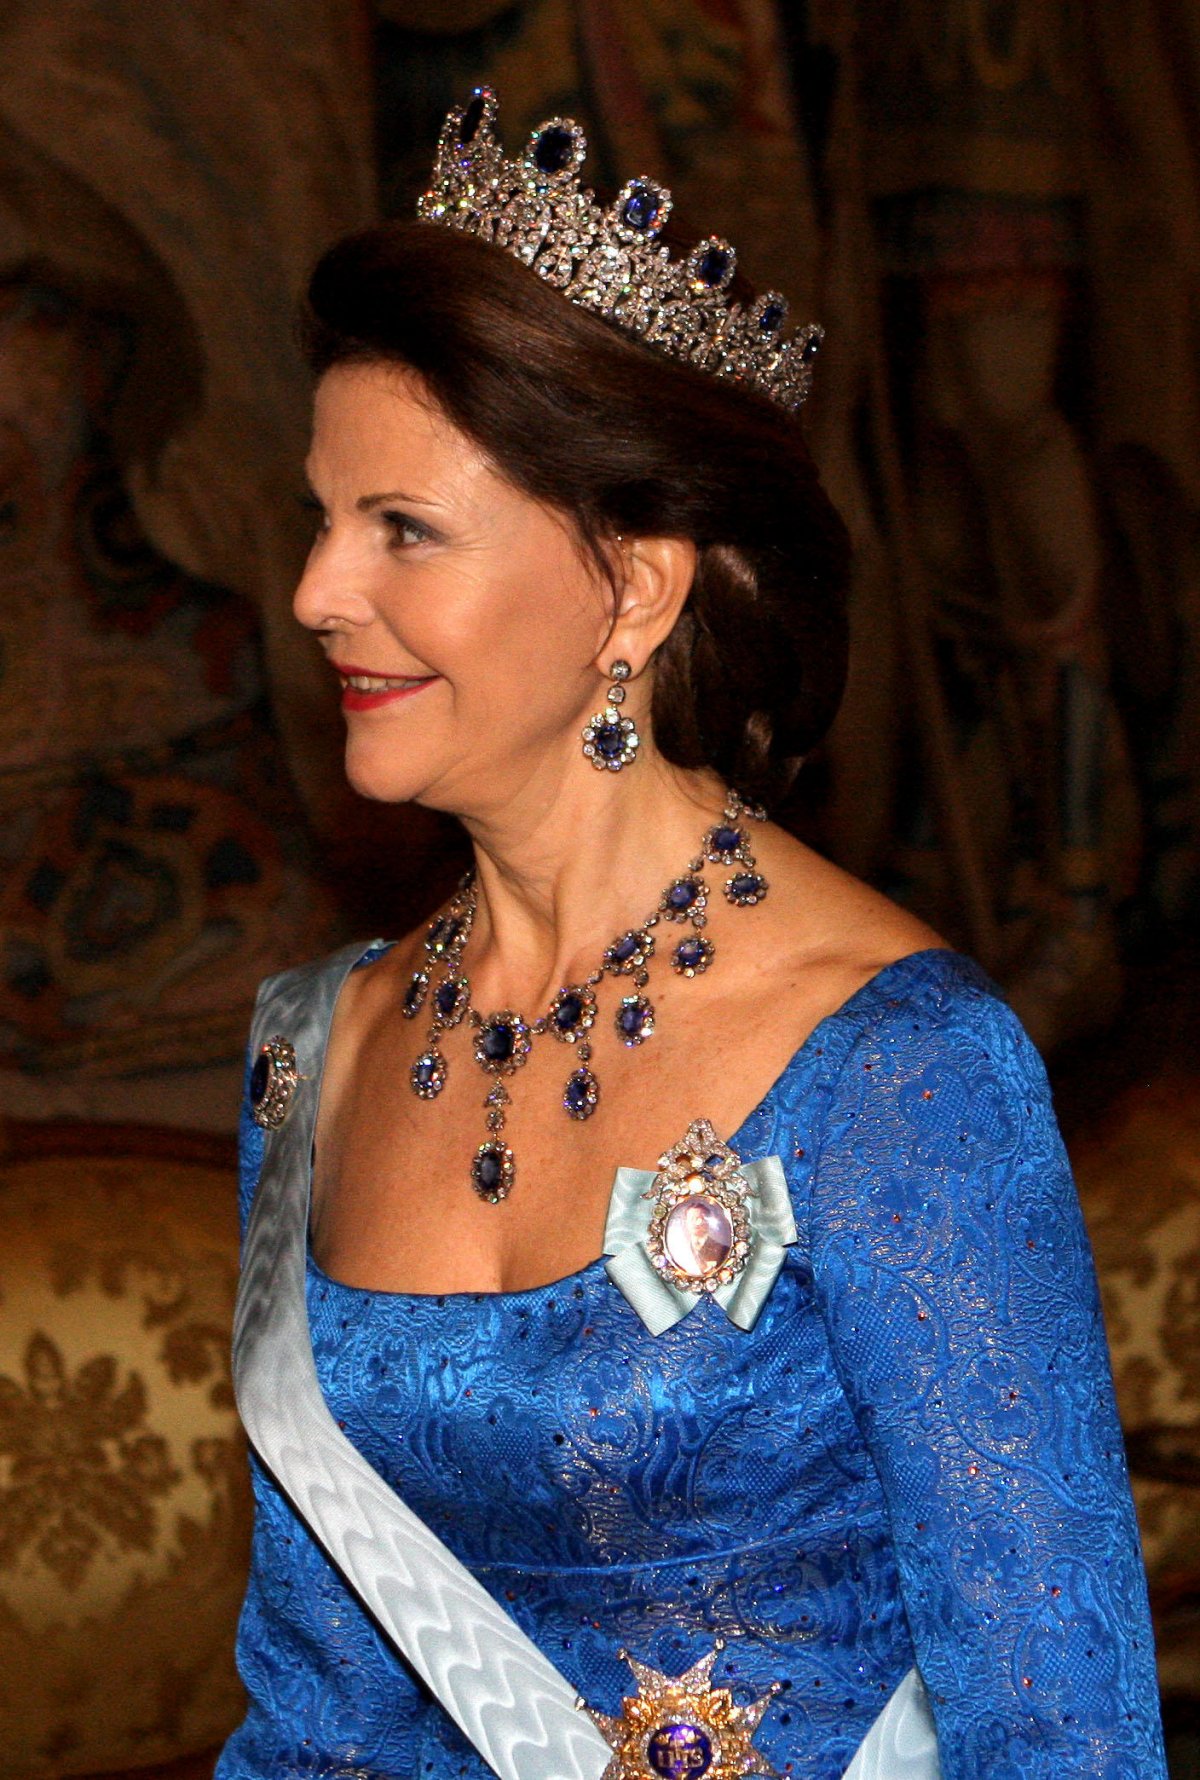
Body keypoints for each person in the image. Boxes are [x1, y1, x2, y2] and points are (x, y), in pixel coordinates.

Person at [218, 89, 1167, 1780]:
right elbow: (317, 1719)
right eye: (323, 515)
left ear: (636, 587)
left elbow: (1061, 1732)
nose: (315, 592)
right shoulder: (319, 1050)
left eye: (402, 529)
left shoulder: (900, 1068)